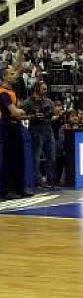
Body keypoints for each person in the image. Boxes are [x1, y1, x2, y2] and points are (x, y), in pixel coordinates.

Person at [0, 48, 31, 200]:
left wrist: (20, 54)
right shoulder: (3, 92)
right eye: (11, 74)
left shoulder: (11, 89)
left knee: (19, 158)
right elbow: (14, 111)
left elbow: (18, 68)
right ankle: (8, 190)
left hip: (16, 126)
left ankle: (20, 188)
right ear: (5, 78)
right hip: (7, 127)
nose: (15, 75)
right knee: (10, 159)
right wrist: (24, 110)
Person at [22, 81, 56, 189]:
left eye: (46, 89)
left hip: (48, 131)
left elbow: (52, 114)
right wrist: (33, 116)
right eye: (43, 89)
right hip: (36, 131)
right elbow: (21, 115)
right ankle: (38, 181)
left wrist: (49, 115)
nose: (45, 91)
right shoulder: (28, 102)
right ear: (36, 89)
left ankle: (51, 181)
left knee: (51, 157)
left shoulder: (49, 101)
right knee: (35, 159)